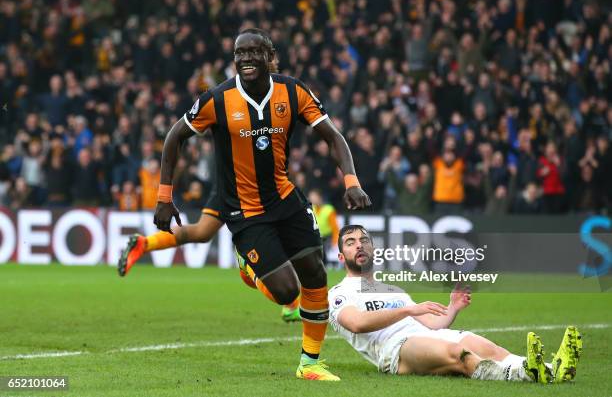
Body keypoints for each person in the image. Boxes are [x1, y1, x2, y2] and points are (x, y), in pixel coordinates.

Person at [152, 28, 371, 381]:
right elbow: (174, 137)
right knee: (286, 290)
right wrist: (164, 197)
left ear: (270, 56)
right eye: (240, 53)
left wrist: (352, 181)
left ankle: (310, 364)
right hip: (244, 210)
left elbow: (333, 136)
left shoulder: (293, 91)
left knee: (315, 272)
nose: (246, 59)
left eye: (254, 52)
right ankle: (247, 264)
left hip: (286, 199)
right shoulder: (217, 99)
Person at [328, 224, 582, 383]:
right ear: (341, 256)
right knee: (459, 355)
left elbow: (433, 324)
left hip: (423, 335)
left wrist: (452, 309)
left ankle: (553, 368)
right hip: (396, 349)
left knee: (484, 345)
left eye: (364, 241)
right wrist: (406, 309)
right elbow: (357, 324)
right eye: (351, 243)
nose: (359, 245)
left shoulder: (392, 288)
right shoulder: (339, 292)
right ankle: (526, 374)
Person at [117, 189, 301, 323]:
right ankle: (291, 304)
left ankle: (145, 243)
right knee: (275, 271)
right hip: (251, 187)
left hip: (228, 183)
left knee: (201, 231)